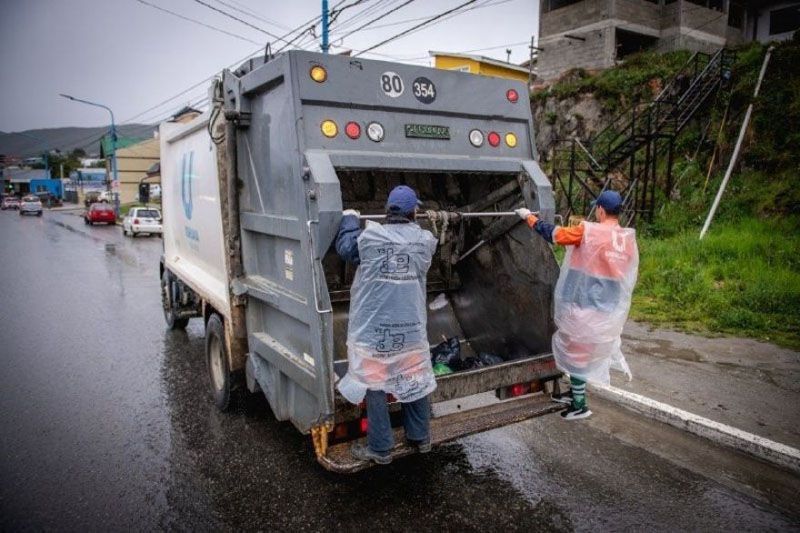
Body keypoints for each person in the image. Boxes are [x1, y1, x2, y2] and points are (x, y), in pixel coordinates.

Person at [335, 185, 438, 464]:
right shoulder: (425, 241)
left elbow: (345, 248)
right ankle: (420, 437)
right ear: (413, 212)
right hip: (411, 330)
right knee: (413, 376)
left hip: (375, 331)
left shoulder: (370, 238)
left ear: (387, 211)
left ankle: (380, 449)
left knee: (376, 384)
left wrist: (349, 219)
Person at [515, 191, 638, 420]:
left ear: (601, 209)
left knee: (577, 355)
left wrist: (528, 218)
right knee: (581, 352)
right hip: (607, 308)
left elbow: (556, 235)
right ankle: (574, 393)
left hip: (586, 305)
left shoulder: (589, 230)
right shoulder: (626, 238)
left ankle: (580, 405)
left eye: (596, 208)